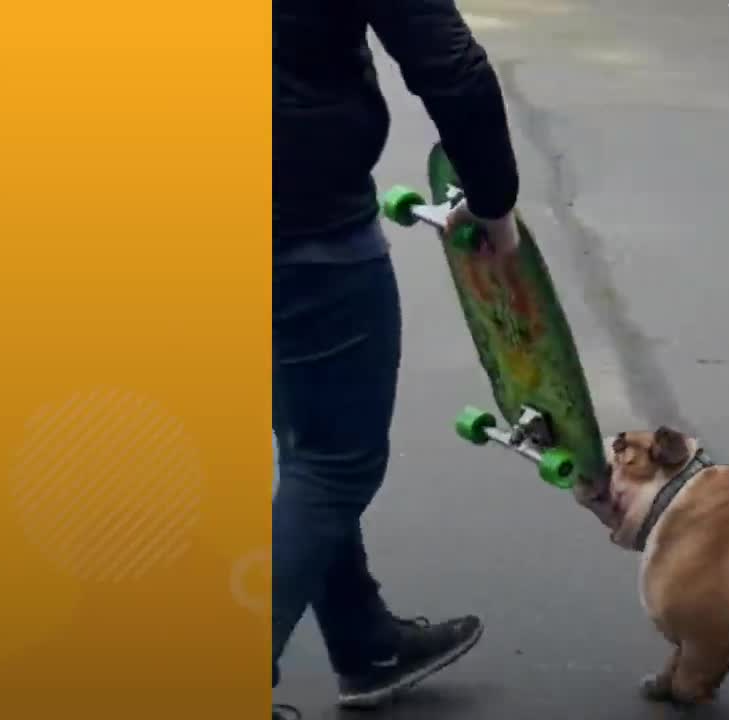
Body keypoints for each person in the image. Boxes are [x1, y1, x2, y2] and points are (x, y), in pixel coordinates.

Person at [272, 0, 520, 717]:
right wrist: (493, 199)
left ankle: (364, 641)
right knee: (336, 461)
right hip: (300, 222)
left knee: (309, 442)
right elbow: (448, 63)